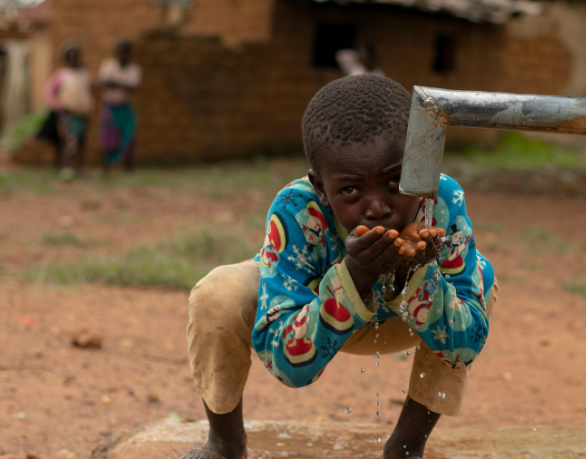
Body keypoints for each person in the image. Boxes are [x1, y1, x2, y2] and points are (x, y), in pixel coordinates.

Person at [181, 75, 496, 459]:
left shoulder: (442, 201)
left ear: (421, 168)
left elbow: (464, 348)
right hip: (315, 317)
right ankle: (225, 444)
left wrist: (418, 274)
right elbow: (289, 367)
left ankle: (406, 446)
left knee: (480, 274)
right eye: (350, 190)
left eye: (396, 182)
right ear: (320, 189)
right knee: (219, 293)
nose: (377, 208)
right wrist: (356, 274)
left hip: (407, 319)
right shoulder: (297, 211)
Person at [38, 44, 94, 179]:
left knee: (81, 142)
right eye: (71, 57)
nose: (74, 59)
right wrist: (58, 106)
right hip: (67, 113)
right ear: (66, 59)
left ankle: (79, 169)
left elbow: (88, 93)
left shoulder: (84, 74)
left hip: (82, 114)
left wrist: (90, 107)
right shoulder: (61, 75)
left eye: (76, 56)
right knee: (68, 143)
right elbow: (48, 93)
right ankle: (65, 169)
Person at [98, 39, 141, 172]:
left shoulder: (134, 69)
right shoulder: (108, 65)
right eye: (119, 51)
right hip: (109, 107)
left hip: (125, 106)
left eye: (124, 51)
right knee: (108, 137)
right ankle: (106, 168)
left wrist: (115, 83)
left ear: (129, 52)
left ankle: (128, 167)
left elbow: (133, 87)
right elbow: (104, 83)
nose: (121, 54)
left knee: (128, 135)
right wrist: (123, 85)